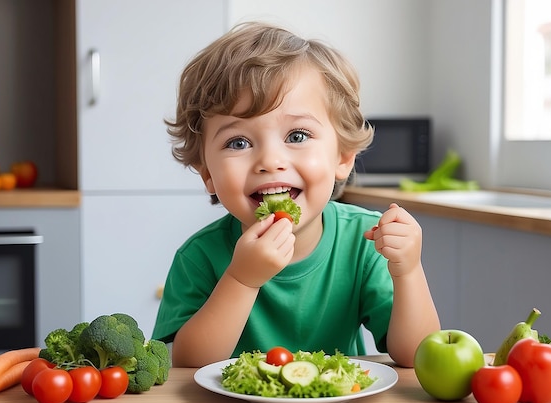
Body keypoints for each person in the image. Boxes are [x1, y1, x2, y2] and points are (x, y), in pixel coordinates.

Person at [152, 21, 440, 368]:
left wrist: (408, 271)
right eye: (238, 142)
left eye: (298, 136)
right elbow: (187, 363)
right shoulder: (199, 257)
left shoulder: (365, 241)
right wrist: (242, 279)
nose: (271, 161)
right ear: (208, 175)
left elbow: (416, 356)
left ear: (343, 158)